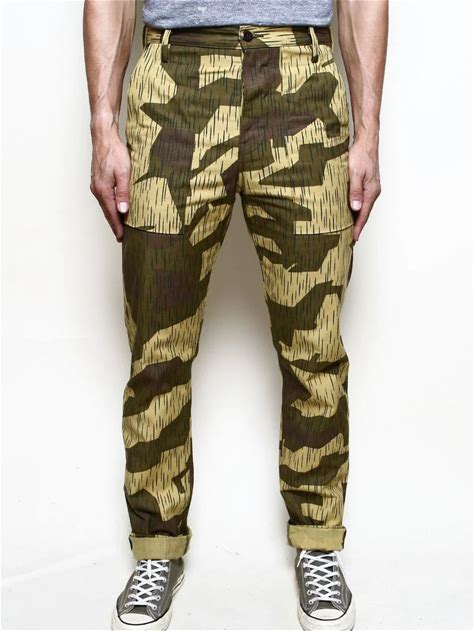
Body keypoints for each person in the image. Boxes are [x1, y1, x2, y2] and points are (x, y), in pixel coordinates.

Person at [83, 0, 388, 628]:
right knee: (157, 347)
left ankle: (318, 540)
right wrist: (103, 127)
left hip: (303, 80)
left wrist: (368, 134)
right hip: (173, 83)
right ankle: (156, 546)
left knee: (314, 347)